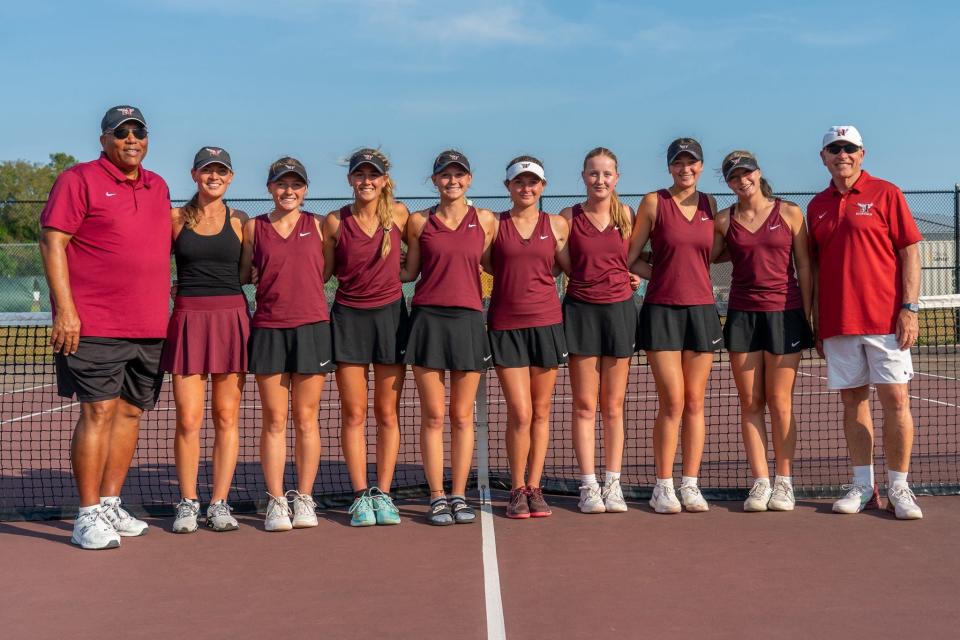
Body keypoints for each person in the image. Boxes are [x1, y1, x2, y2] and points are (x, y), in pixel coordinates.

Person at [39, 105, 171, 549]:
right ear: (104, 140)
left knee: (131, 413)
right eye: (121, 133)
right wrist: (65, 310)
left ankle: (112, 502)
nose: (131, 139)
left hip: (150, 325)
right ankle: (87, 513)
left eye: (139, 132)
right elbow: (52, 241)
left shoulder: (159, 186)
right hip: (94, 323)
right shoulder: (77, 180)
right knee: (97, 412)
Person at [807, 126, 923, 519]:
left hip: (886, 321)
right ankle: (863, 486)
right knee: (853, 402)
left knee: (896, 401)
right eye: (834, 148)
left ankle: (900, 487)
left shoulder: (886, 193)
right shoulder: (817, 206)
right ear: (823, 156)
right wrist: (818, 318)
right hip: (838, 323)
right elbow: (816, 265)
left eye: (849, 148)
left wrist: (909, 307)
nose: (842, 154)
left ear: (862, 154)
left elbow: (910, 252)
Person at [713, 151, 813, 512]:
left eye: (747, 173)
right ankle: (760, 482)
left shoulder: (789, 212)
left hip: (785, 315)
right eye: (734, 176)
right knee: (751, 403)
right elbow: (700, 255)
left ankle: (784, 482)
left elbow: (803, 263)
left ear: (758, 173)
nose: (742, 180)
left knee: (780, 402)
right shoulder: (723, 220)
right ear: (728, 183)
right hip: (742, 316)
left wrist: (807, 311)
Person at [401, 150, 496, 525]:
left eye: (459, 175)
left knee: (461, 416)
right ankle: (437, 496)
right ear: (435, 180)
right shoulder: (419, 221)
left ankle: (459, 493)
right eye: (445, 175)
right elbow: (408, 271)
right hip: (428, 321)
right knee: (434, 415)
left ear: (469, 180)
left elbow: (499, 264)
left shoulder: (486, 220)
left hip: (469, 320)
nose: (452, 181)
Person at [239, 157, 334, 532]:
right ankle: (277, 500)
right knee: (275, 420)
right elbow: (245, 272)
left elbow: (326, 270)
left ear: (306, 190)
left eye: (296, 185)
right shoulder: (253, 228)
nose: (288, 191)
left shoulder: (320, 225)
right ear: (270, 188)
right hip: (269, 329)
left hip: (312, 328)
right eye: (281, 184)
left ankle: (305, 498)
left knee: (307, 420)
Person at [629, 138, 721, 514]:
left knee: (696, 403)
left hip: (701, 312)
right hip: (662, 312)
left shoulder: (710, 204)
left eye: (692, 162)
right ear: (669, 167)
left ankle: (691, 485)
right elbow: (630, 257)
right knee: (673, 401)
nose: (686, 168)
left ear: (700, 166)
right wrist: (661, 276)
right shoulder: (653, 202)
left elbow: (709, 255)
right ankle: (663, 486)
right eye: (679, 163)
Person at [162, 147, 249, 533]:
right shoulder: (175, 218)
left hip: (231, 319)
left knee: (227, 417)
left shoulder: (241, 221)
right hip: (187, 320)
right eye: (207, 170)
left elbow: (248, 273)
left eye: (221, 171)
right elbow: (152, 264)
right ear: (194, 174)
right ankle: (187, 502)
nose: (214, 177)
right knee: (188, 419)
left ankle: (218, 503)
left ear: (230, 177)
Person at [322, 149, 409, 526]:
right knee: (354, 413)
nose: (366, 181)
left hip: (391, 318)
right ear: (350, 180)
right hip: (349, 320)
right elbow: (322, 272)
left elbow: (415, 266)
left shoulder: (402, 216)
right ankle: (361, 495)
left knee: (386, 412)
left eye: (373, 175)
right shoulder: (334, 222)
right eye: (360, 175)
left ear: (385, 179)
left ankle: (385, 493)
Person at [485, 156, 569, 519]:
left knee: (541, 412)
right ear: (508, 187)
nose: (526, 188)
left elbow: (569, 267)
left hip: (547, 324)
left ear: (543, 187)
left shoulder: (557, 225)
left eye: (533, 182)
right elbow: (489, 263)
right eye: (519, 182)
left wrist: (626, 276)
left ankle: (535, 487)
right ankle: (517, 487)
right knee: (519, 412)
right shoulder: (494, 225)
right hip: (506, 326)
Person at [560, 147, 636, 514]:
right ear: (583, 176)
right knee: (585, 405)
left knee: (613, 406)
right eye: (593, 173)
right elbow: (562, 263)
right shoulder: (568, 217)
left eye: (607, 173)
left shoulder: (628, 216)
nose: (600, 180)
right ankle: (589, 485)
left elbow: (632, 259)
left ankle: (613, 484)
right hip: (581, 312)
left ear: (617, 177)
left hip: (619, 312)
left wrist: (632, 276)